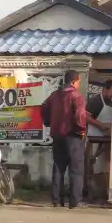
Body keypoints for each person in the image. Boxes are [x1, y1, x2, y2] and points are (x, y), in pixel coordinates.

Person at [41, 70, 87, 209]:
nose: (79, 84)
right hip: (72, 135)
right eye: (79, 82)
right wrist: (81, 129)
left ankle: (56, 200)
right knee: (76, 169)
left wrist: (49, 122)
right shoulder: (76, 95)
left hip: (57, 135)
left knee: (58, 167)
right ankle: (75, 201)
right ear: (74, 82)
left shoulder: (54, 95)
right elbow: (80, 115)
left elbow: (43, 108)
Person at [86, 80, 112, 196]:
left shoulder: (111, 102)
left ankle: (105, 190)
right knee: (93, 165)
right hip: (95, 137)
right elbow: (86, 118)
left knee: (106, 166)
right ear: (105, 89)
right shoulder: (95, 101)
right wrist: (101, 126)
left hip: (108, 138)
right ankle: (91, 191)